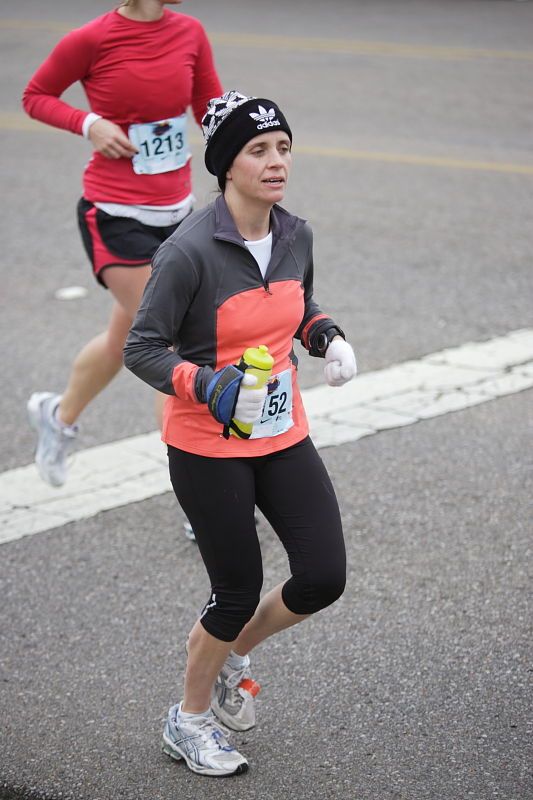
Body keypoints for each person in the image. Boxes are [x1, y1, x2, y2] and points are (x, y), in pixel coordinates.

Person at [124, 89, 358, 777]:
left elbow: (296, 303)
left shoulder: (295, 235)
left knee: (323, 575)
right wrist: (207, 385)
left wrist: (326, 335)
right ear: (227, 164)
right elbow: (143, 347)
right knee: (235, 589)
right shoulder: (188, 251)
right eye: (258, 150)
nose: (276, 161)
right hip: (207, 445)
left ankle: (233, 654)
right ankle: (189, 719)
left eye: (283, 147)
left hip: (281, 432)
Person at [22, 0, 223, 539]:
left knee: (123, 338)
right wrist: (89, 123)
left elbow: (209, 106)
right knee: (177, 344)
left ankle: (58, 416)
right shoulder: (91, 39)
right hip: (115, 215)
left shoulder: (189, 31)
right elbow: (35, 96)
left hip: (178, 213)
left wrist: (245, 140)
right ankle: (203, 499)